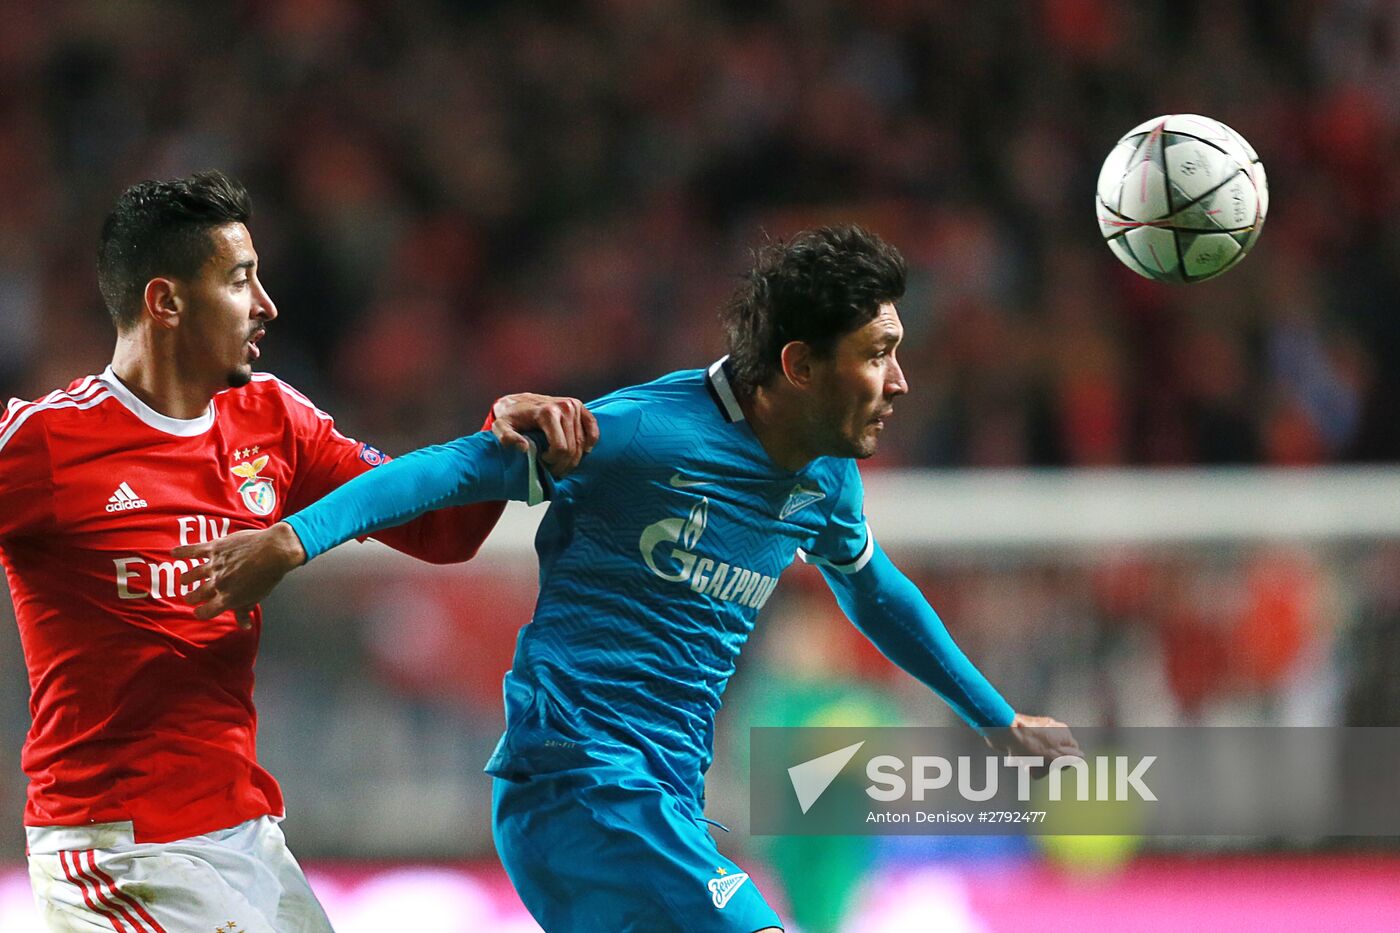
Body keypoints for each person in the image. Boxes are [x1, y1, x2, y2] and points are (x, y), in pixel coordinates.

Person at [177, 225, 1079, 933]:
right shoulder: (640, 434)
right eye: (878, 353)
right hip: (580, 785)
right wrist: (290, 540)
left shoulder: (823, 470)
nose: (901, 381)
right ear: (801, 365)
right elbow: (452, 470)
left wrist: (995, 717)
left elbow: (872, 587)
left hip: (661, 804)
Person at [0, 170, 596, 933]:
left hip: (244, 834)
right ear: (166, 301)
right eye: (241, 279)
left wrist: (504, 443)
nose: (267, 305)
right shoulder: (48, 442)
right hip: (116, 850)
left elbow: (441, 532)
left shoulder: (272, 418)